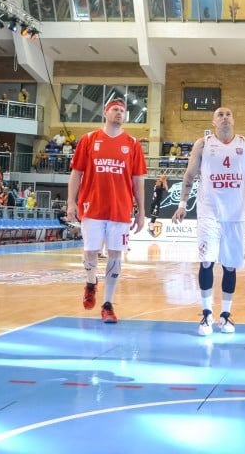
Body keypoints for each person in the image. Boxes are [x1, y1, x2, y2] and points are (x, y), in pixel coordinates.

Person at [173, 107, 245, 335]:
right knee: (206, 261)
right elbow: (189, 175)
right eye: (220, 114)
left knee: (230, 266)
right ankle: (206, 314)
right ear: (214, 122)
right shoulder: (202, 144)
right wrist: (182, 205)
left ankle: (225, 315)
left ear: (233, 119)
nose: (224, 117)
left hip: (235, 214)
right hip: (209, 212)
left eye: (228, 114)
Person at [67, 98, 147, 324]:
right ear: (105, 112)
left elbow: (138, 179)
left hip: (120, 209)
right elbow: (76, 174)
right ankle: (91, 282)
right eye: (115, 109)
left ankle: (108, 304)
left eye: (122, 110)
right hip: (92, 206)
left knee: (115, 254)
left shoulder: (132, 144)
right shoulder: (89, 140)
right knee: (91, 252)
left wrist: (141, 211)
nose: (119, 113)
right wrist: (71, 203)